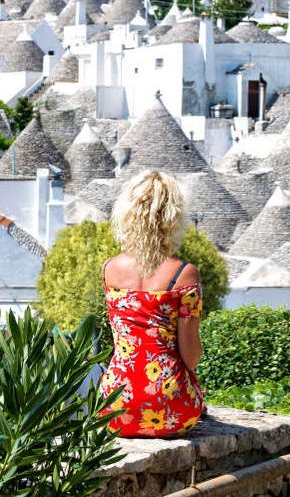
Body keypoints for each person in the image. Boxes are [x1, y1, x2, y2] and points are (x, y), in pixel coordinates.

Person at [98, 170, 205, 438]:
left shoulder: (109, 269)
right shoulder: (185, 274)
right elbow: (191, 357)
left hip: (115, 406)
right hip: (171, 406)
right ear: (173, 217)